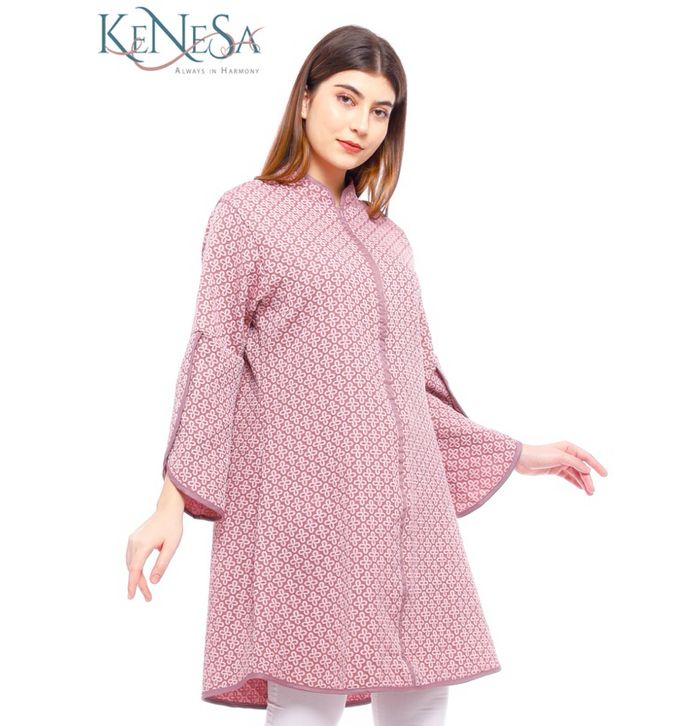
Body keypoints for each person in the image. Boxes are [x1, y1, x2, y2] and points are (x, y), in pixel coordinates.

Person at [126, 24, 607, 726]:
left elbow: (410, 387)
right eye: (346, 99)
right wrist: (170, 502)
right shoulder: (246, 214)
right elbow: (214, 356)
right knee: (307, 691)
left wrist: (518, 453)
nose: (361, 125)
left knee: (422, 688)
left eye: (380, 111)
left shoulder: (390, 241)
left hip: (408, 509)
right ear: (305, 99)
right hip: (304, 506)